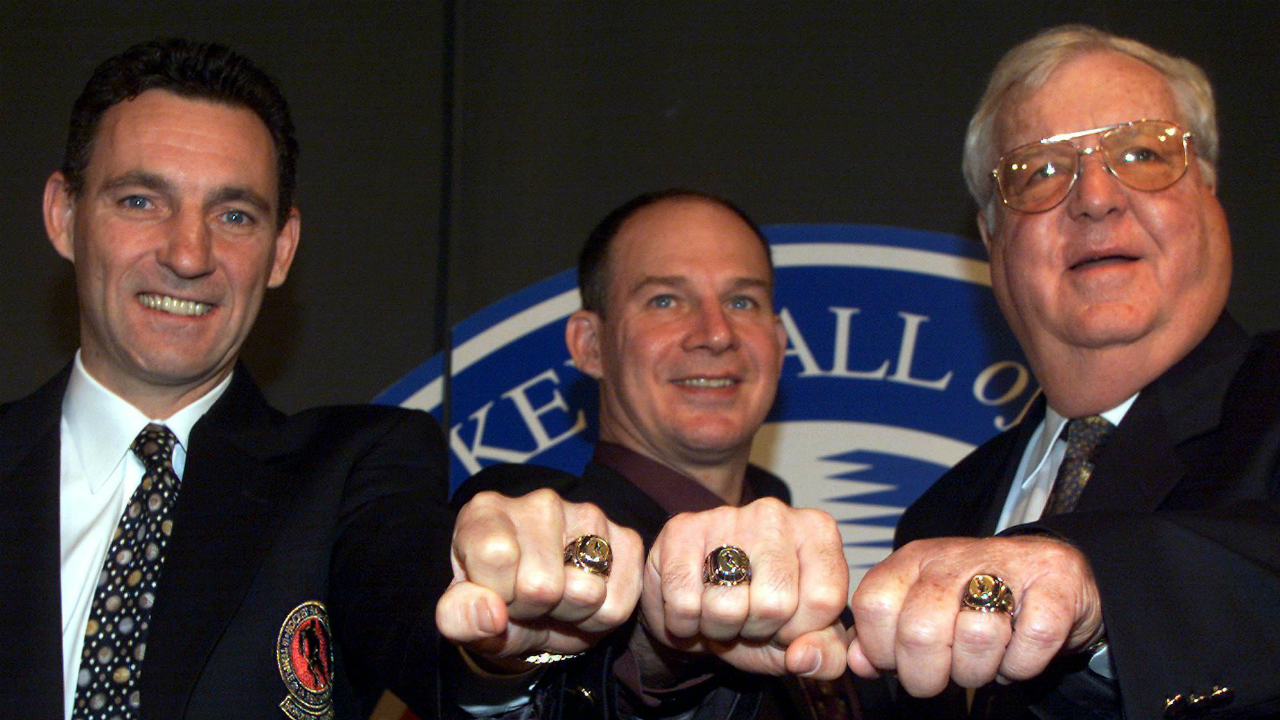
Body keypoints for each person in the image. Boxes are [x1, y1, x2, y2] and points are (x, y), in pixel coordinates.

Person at [0, 38, 456, 719]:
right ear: (64, 217)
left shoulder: (352, 475)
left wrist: (501, 645)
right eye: (139, 201)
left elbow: (436, 640)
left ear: (281, 250)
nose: (189, 254)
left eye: (234, 216)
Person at [846, 25, 1280, 719]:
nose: (1097, 197)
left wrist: (1097, 582)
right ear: (990, 237)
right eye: (1040, 171)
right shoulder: (941, 517)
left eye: (1141, 153)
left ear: (1208, 194)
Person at [437, 190, 872, 718]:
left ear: (779, 344)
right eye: (666, 300)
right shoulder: (532, 548)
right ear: (591, 346)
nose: (716, 333)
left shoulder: (820, 572)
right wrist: (657, 657)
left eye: (743, 301)